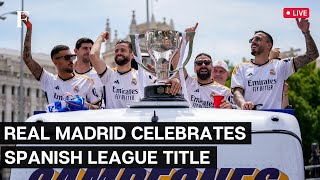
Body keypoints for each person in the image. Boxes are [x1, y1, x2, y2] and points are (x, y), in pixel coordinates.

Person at [231, 18, 319, 110]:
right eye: (251, 40)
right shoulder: (241, 67)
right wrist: (243, 103)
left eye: (257, 39)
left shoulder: (281, 66)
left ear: (268, 45)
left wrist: (306, 32)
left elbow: (312, 55)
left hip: (273, 120)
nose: (253, 41)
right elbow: (237, 92)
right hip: (251, 119)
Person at [21, 15, 100, 109]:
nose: (71, 60)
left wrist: (84, 104)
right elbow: (27, 58)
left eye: (72, 57)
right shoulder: (48, 80)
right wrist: (29, 27)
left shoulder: (86, 82)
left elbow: (99, 110)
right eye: (67, 57)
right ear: (55, 61)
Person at [89, 31, 181, 109]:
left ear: (132, 55)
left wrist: (174, 80)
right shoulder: (108, 75)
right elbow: (93, 55)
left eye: (123, 50)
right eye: (116, 51)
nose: (119, 53)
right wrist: (101, 37)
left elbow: (164, 84)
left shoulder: (142, 76)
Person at [73, 37, 104, 107]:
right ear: (75, 51)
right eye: (85, 48)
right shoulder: (69, 75)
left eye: (91, 48)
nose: (88, 51)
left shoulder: (99, 75)